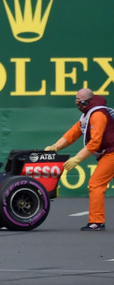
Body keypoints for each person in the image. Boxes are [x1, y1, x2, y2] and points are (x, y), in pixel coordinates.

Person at [44, 88, 114, 231]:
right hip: (108, 153)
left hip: (111, 153)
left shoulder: (98, 115)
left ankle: (96, 222)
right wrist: (55, 147)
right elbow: (73, 133)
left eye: (78, 99)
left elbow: (95, 143)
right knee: (96, 184)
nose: (76, 102)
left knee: (95, 184)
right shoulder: (87, 115)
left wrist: (77, 159)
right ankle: (97, 221)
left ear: (86, 101)